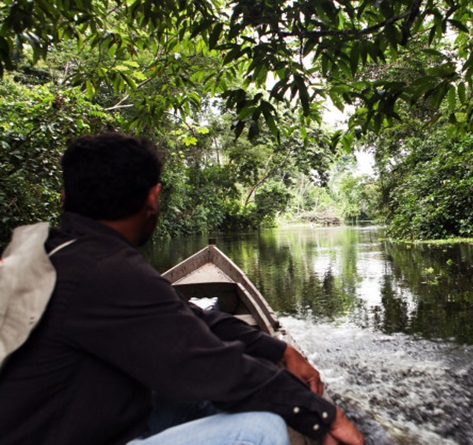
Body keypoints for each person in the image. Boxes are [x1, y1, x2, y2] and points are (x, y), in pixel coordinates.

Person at [0, 132, 364, 445]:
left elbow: (190, 318)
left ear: (64, 196)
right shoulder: (104, 271)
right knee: (261, 429)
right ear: (154, 196)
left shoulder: (59, 254)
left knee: (201, 395)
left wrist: (280, 348)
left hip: (69, 422)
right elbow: (209, 365)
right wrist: (325, 416)